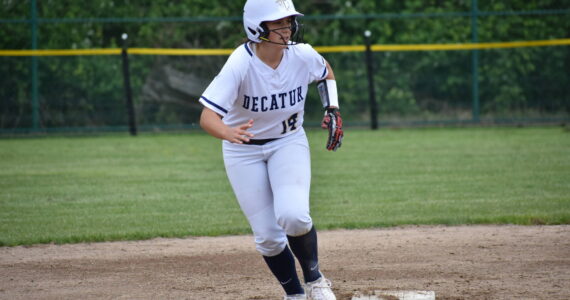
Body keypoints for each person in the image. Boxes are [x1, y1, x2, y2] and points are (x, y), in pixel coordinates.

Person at [198, 0, 343, 299]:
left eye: (289, 21)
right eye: (278, 23)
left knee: (294, 216)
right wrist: (227, 132)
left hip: (287, 142)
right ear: (257, 27)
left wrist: (332, 107)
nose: (287, 28)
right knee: (267, 238)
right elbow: (207, 117)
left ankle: (315, 281)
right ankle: (295, 294)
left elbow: (325, 69)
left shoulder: (301, 55)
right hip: (243, 152)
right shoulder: (240, 63)